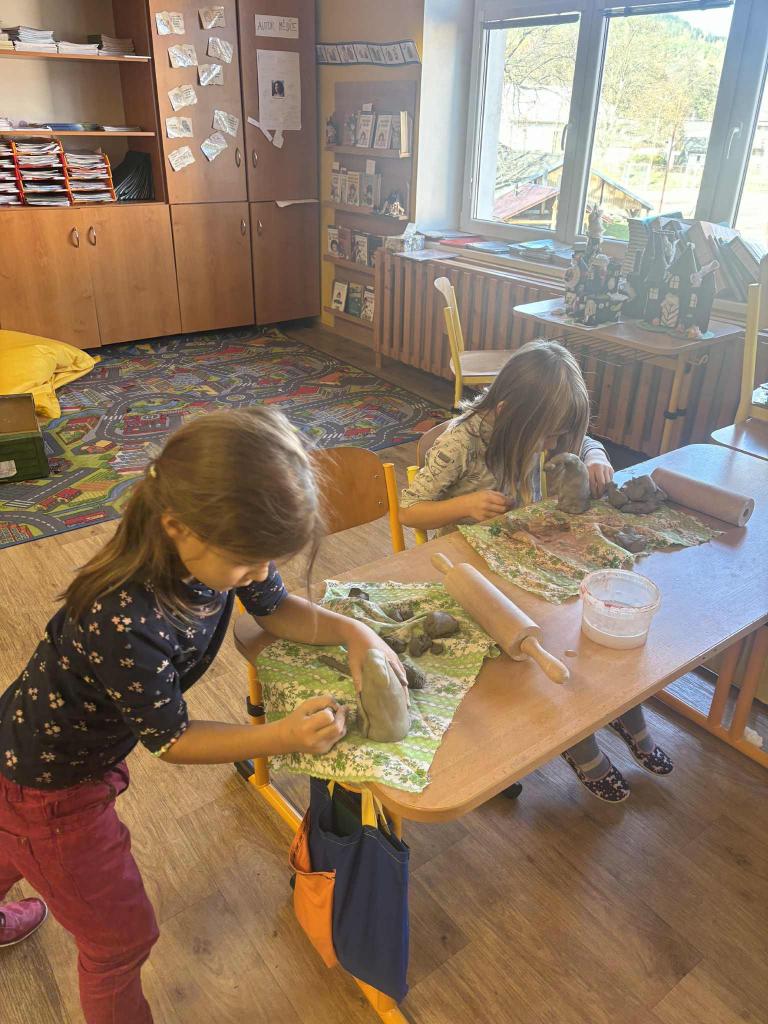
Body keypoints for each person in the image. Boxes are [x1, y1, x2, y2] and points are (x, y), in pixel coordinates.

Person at [0, 408, 404, 1023]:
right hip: (50, 788)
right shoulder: (124, 617)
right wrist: (282, 735)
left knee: (11, 836)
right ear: (177, 527)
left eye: (266, 560)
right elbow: (174, 740)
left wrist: (355, 633)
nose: (258, 575)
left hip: (32, 750)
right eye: (247, 563)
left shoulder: (218, 545)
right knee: (119, 942)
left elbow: (273, 610)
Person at [399, 340, 673, 803]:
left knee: (586, 625)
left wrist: (595, 455)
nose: (551, 446)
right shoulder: (461, 441)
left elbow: (580, 441)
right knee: (552, 640)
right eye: (546, 437)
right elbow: (409, 509)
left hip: (522, 555)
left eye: (557, 436)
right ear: (508, 412)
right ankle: (575, 739)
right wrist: (464, 505)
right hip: (472, 574)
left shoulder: (537, 423)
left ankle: (621, 711)